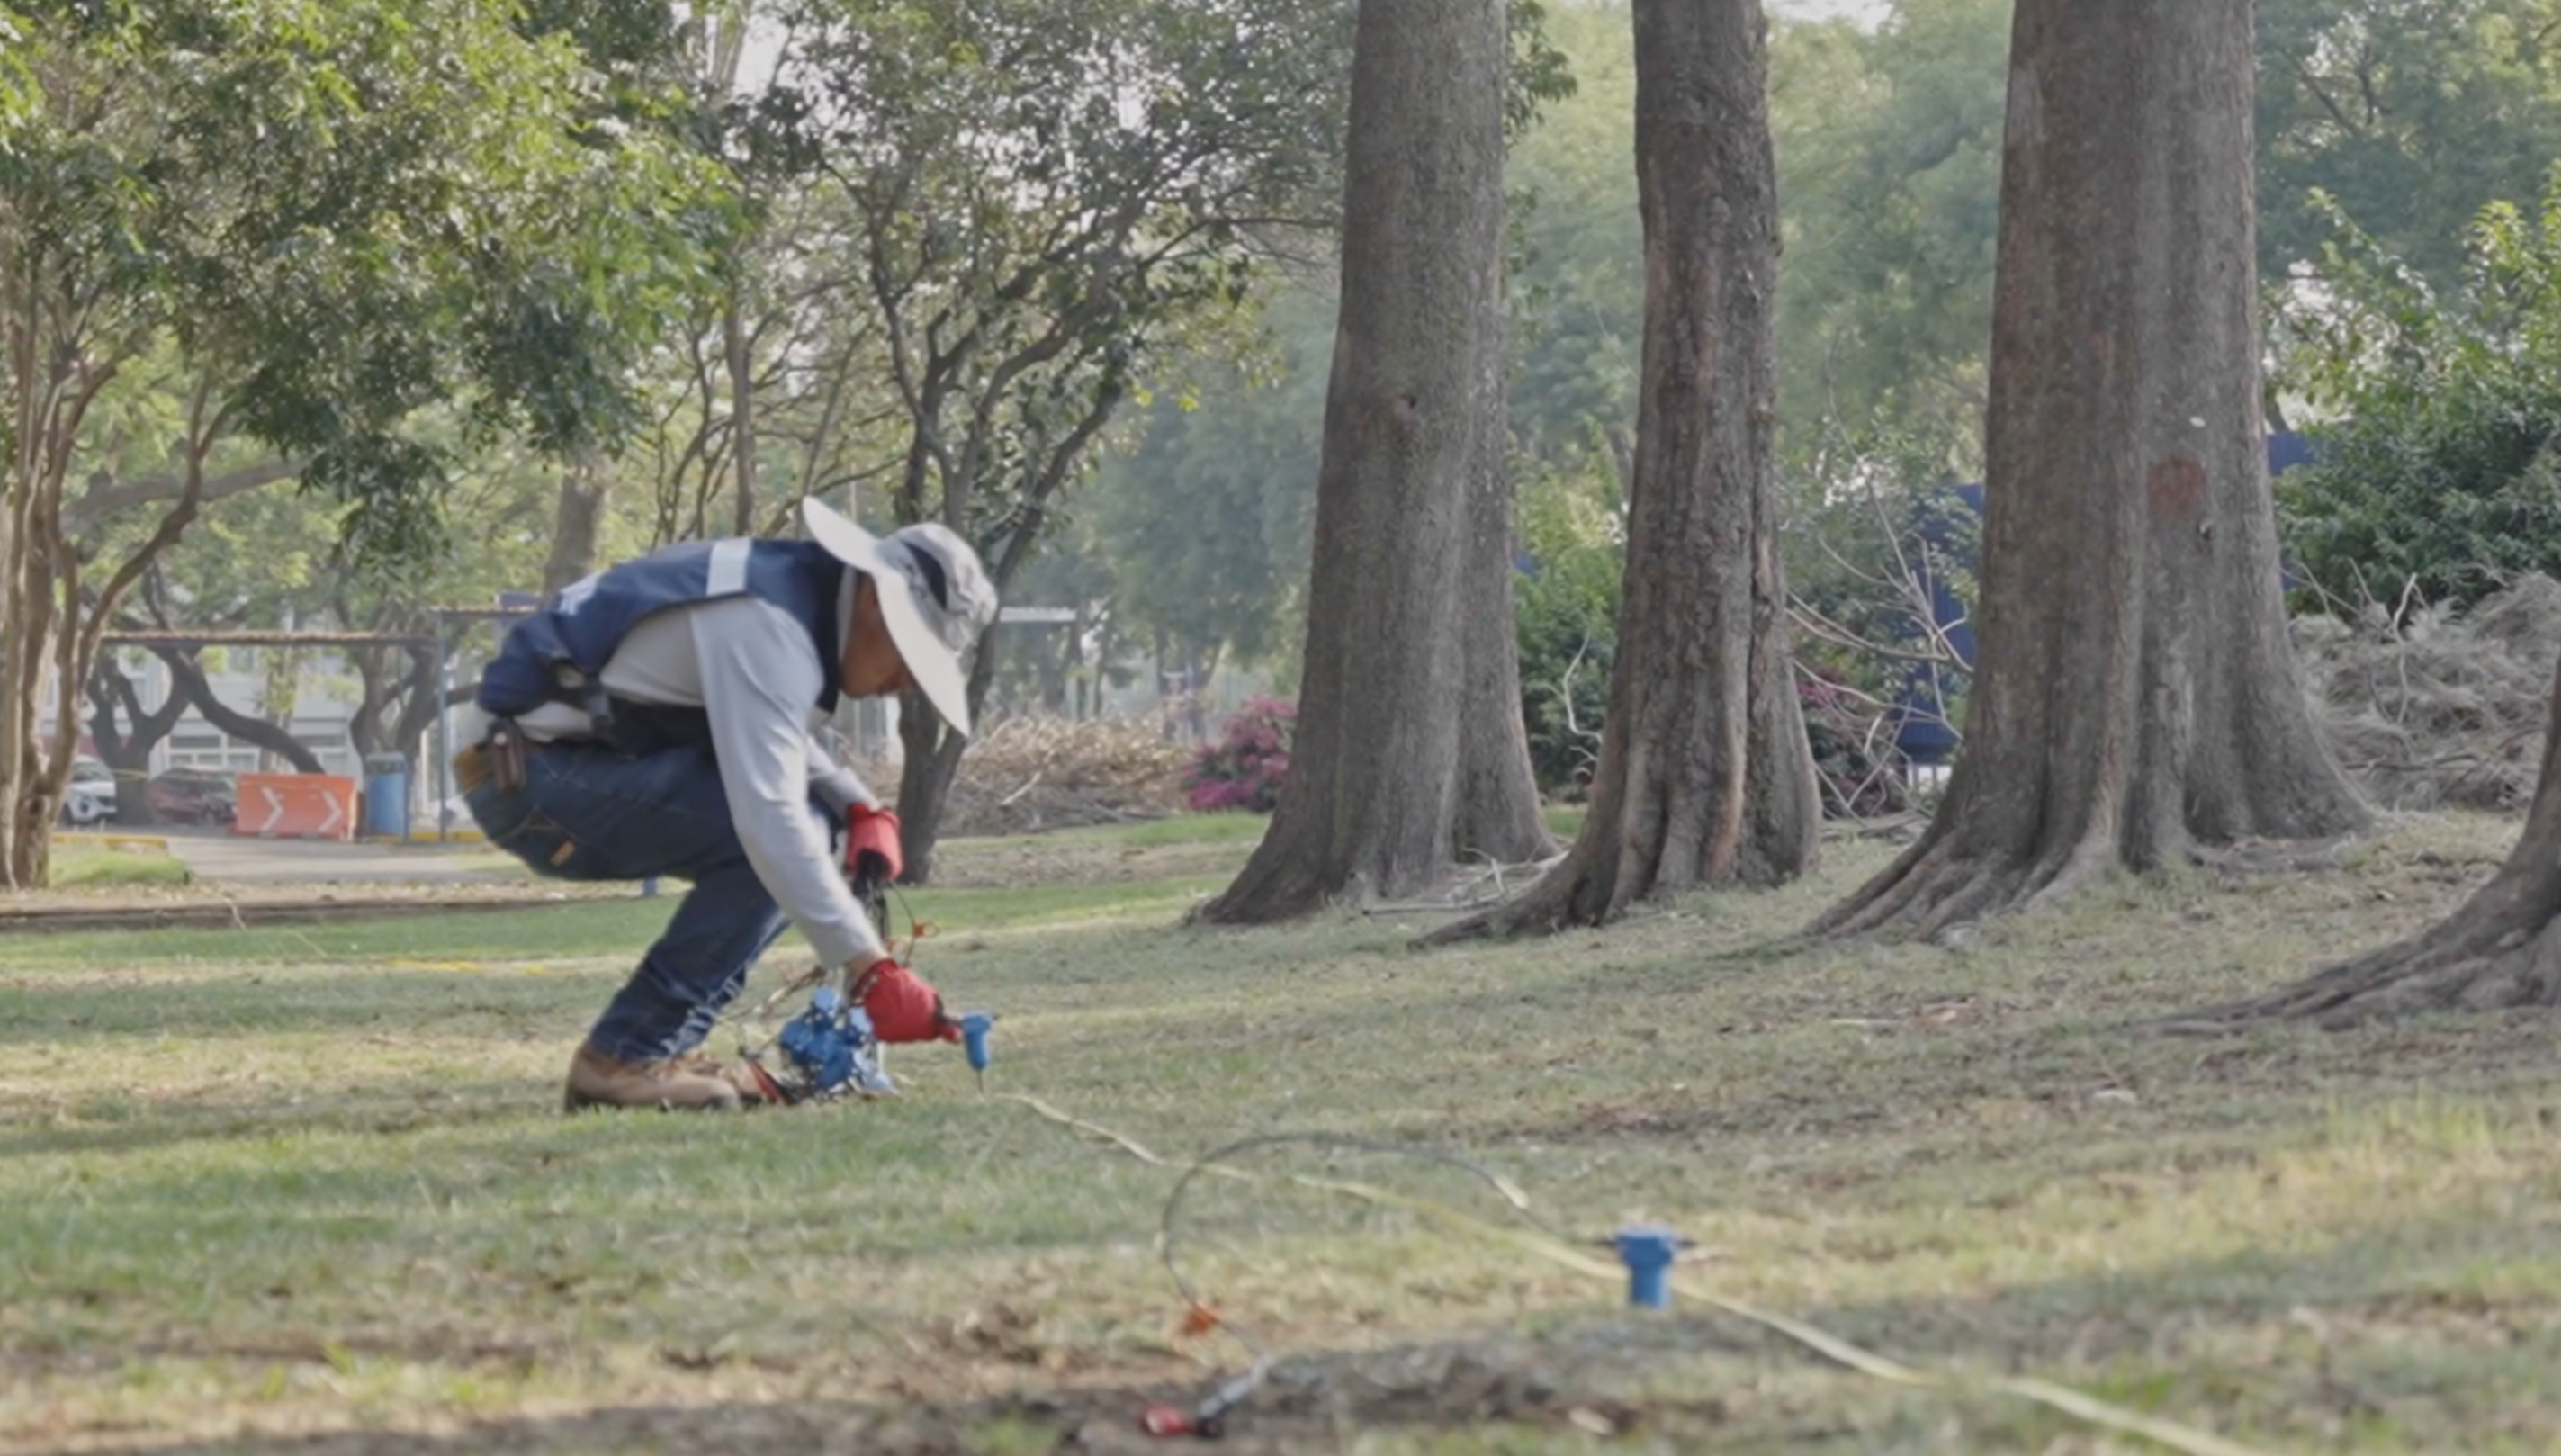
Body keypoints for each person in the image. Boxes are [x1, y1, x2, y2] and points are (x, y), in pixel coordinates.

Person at [454, 497, 996, 1111]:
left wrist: (861, 807)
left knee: (811, 832)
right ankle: (630, 1056)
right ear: (874, 598)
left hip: (544, 762)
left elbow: (764, 724)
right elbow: (770, 818)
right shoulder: (768, 626)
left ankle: (658, 1051)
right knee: (788, 840)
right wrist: (870, 967)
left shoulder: (785, 598)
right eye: (910, 653)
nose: (906, 681)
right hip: (529, 775)